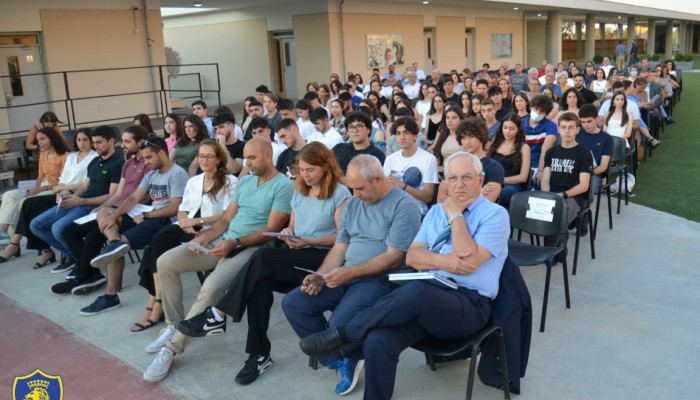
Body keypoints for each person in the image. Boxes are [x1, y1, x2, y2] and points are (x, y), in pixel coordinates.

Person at [297, 151, 510, 400]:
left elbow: (467, 258)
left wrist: (455, 214)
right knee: (378, 340)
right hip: (428, 298)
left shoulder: (496, 215)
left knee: (416, 291)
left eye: (466, 177)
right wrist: (443, 260)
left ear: (481, 180)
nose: (458, 185)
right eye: (452, 178)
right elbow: (412, 258)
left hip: (468, 305)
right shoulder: (435, 213)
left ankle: (347, 334)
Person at [175, 142, 350, 385]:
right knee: (259, 282)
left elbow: (342, 237)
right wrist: (289, 232)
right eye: (301, 170)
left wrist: (311, 240)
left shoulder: (340, 193)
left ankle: (217, 314)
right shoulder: (300, 190)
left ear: (325, 167)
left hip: (323, 258)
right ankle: (258, 355)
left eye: (310, 170)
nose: (305, 175)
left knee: (261, 257)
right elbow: (294, 226)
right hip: (298, 253)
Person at [142, 137, 293, 383]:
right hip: (224, 239)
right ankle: (174, 325)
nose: (247, 163)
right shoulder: (245, 182)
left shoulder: (283, 186)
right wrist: (204, 238)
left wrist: (235, 242)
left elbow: (271, 229)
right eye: (245, 158)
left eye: (252, 158)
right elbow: (224, 220)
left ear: (268, 154)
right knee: (166, 262)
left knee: (211, 287)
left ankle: (171, 349)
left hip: (250, 248)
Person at [282, 154, 421, 396]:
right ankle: (341, 357)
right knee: (294, 303)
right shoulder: (355, 201)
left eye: (360, 188)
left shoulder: (403, 205)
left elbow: (395, 257)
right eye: (352, 188)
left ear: (378, 179)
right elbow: (340, 246)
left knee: (338, 325)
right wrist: (321, 275)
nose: (355, 195)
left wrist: (349, 273)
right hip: (345, 272)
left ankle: (348, 354)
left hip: (379, 279)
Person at [77, 136, 189, 316]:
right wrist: (114, 216)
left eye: (149, 158)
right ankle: (114, 244)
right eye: (144, 158)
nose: (146, 162)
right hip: (147, 214)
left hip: (164, 221)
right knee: (105, 212)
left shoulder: (177, 173)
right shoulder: (151, 173)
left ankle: (110, 296)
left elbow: (175, 208)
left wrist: (146, 215)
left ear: (161, 153)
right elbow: (132, 198)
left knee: (121, 240)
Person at [133, 140, 237, 332]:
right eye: (201, 156)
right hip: (187, 227)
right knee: (155, 245)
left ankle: (156, 304)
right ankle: (157, 300)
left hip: (211, 229)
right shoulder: (194, 181)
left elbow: (226, 216)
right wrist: (185, 223)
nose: (204, 160)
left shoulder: (230, 181)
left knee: (158, 251)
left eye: (209, 156)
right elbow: (182, 210)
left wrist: (195, 222)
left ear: (218, 159)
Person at [50, 126, 150, 296]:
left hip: (130, 212)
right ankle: (90, 273)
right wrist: (101, 208)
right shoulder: (127, 164)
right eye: (123, 141)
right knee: (70, 231)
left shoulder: (147, 163)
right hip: (113, 208)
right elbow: (118, 194)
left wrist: (111, 209)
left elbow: (143, 197)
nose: (123, 145)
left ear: (140, 142)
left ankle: (84, 275)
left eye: (127, 141)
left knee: (92, 237)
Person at [29, 126, 123, 272]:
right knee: (36, 225)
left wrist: (81, 201)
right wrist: (71, 195)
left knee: (58, 229)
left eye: (99, 142)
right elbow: (85, 186)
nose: (95, 146)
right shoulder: (94, 162)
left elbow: (112, 196)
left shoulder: (117, 163)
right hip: (78, 202)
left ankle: (82, 263)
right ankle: (73, 256)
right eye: (94, 142)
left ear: (111, 141)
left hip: (91, 206)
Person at [0, 128, 97, 267]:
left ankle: (22, 245)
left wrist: (54, 189)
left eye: (85, 140)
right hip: (59, 191)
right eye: (78, 140)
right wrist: (37, 188)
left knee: (26, 205)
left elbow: (85, 183)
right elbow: (56, 178)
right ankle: (4, 233)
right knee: (9, 196)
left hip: (68, 192)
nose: (81, 143)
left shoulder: (89, 157)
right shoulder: (70, 156)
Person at [0, 127, 68, 248]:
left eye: (42, 139)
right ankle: (2, 232)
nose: (39, 142)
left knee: (23, 202)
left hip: (54, 190)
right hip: (41, 187)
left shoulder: (65, 156)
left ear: (52, 138)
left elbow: (64, 181)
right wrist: (31, 188)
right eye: (38, 140)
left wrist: (39, 189)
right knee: (9, 195)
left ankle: (13, 243)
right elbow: (40, 177)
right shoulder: (43, 154)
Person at [541, 112, 593, 241]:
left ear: (577, 130)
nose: (567, 131)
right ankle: (556, 244)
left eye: (571, 127)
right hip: (552, 194)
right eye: (563, 127)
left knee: (559, 217)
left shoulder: (584, 154)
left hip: (572, 196)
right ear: (558, 129)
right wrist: (547, 195)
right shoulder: (551, 152)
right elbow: (546, 178)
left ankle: (557, 249)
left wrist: (563, 194)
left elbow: (584, 185)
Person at [437, 117, 504, 203]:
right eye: (463, 138)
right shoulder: (453, 164)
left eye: (471, 137)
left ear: (481, 136)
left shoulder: (494, 167)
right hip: (451, 215)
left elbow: (487, 203)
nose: (467, 142)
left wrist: (454, 198)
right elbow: (441, 198)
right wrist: (479, 194)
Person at [383, 117, 438, 215]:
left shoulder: (428, 159)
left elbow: (428, 197)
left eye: (406, 133)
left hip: (416, 211)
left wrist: (402, 185)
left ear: (415, 136)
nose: (402, 137)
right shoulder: (390, 159)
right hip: (391, 210)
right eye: (398, 133)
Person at [488, 112, 531, 208]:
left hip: (511, 186)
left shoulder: (524, 148)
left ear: (518, 130)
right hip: (493, 182)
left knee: (502, 192)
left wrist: (501, 180)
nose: (507, 131)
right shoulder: (496, 142)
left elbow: (523, 177)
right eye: (505, 127)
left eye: (511, 128)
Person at [577, 105, 613, 196]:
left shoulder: (606, 138)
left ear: (597, 119)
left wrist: (587, 173)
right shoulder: (576, 133)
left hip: (593, 174)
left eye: (589, 121)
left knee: (582, 194)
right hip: (574, 170)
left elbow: (603, 166)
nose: (586, 125)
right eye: (582, 122)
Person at [523, 94, 558, 188]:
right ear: (530, 107)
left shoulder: (551, 126)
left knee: (539, 182)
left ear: (546, 113)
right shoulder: (520, 123)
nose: (538, 113)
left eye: (542, 111)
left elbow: (545, 149)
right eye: (536, 109)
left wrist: (540, 170)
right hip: (522, 162)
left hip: (540, 163)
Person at [432, 106, 464, 173]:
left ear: (461, 120)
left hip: (459, 171)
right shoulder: (443, 135)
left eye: (454, 118)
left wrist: (443, 168)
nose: (450, 121)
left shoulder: (465, 137)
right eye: (447, 117)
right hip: (443, 173)